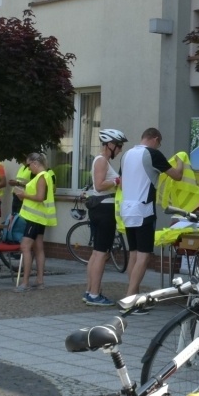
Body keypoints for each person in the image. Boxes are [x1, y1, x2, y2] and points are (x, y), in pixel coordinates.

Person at [119, 128, 189, 298]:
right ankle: (131, 298)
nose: (159, 147)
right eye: (159, 144)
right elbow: (177, 176)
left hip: (127, 209)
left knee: (133, 254)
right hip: (144, 210)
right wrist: (181, 160)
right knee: (144, 256)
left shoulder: (126, 155)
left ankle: (132, 293)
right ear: (155, 139)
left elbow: (121, 183)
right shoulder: (152, 154)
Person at [83, 129, 127, 306]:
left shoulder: (104, 161)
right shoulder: (101, 160)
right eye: (119, 145)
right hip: (104, 210)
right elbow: (100, 186)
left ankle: (89, 291)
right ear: (110, 144)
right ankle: (94, 294)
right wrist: (118, 181)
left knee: (96, 253)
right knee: (101, 254)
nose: (120, 149)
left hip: (100, 209)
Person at [10, 152, 54, 290]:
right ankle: (39, 281)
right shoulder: (46, 175)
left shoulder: (41, 177)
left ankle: (25, 283)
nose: (28, 168)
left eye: (29, 165)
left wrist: (24, 195)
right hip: (40, 217)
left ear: (35, 163)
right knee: (39, 248)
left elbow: (40, 197)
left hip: (34, 218)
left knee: (25, 247)